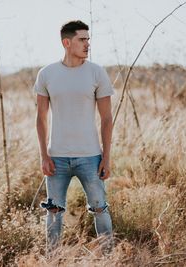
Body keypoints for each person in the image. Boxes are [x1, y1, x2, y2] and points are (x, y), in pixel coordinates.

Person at [34, 20, 114, 255]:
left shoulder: (96, 72)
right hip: (56, 157)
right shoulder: (47, 74)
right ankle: (53, 258)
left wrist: (106, 158)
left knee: (100, 209)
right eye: (82, 39)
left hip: (90, 157)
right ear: (66, 43)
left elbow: (107, 119)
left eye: (88, 39)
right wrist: (44, 155)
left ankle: (110, 257)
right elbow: (40, 118)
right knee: (54, 211)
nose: (87, 44)